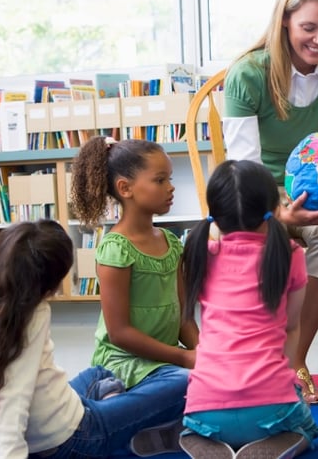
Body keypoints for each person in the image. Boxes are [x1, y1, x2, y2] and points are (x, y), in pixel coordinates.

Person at [222, 0, 318, 403]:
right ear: (284, 21)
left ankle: (289, 363)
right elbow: (242, 171)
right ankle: (254, 361)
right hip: (255, 192)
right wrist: (280, 215)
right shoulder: (248, 75)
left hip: (314, 188)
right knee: (249, 240)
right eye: (308, 27)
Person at [0, 220, 198, 458]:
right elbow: (14, 400)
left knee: (98, 373)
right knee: (184, 381)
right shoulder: (33, 313)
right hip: (75, 438)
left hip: (57, 412)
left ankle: (107, 399)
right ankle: (120, 422)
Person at [178, 160, 318, 458]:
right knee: (307, 424)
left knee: (198, 419)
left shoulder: (200, 253)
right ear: (274, 206)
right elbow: (291, 327)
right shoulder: (290, 254)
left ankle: (203, 439)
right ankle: (285, 439)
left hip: (206, 407)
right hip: (270, 407)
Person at [70, 136, 199, 453]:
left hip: (165, 360)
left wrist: (206, 353)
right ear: (126, 188)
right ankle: (105, 406)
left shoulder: (171, 242)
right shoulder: (115, 248)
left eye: (169, 178)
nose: (171, 187)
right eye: (160, 180)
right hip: (123, 362)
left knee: (216, 378)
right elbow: (120, 334)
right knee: (186, 383)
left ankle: (148, 427)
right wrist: (185, 358)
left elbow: (184, 317)